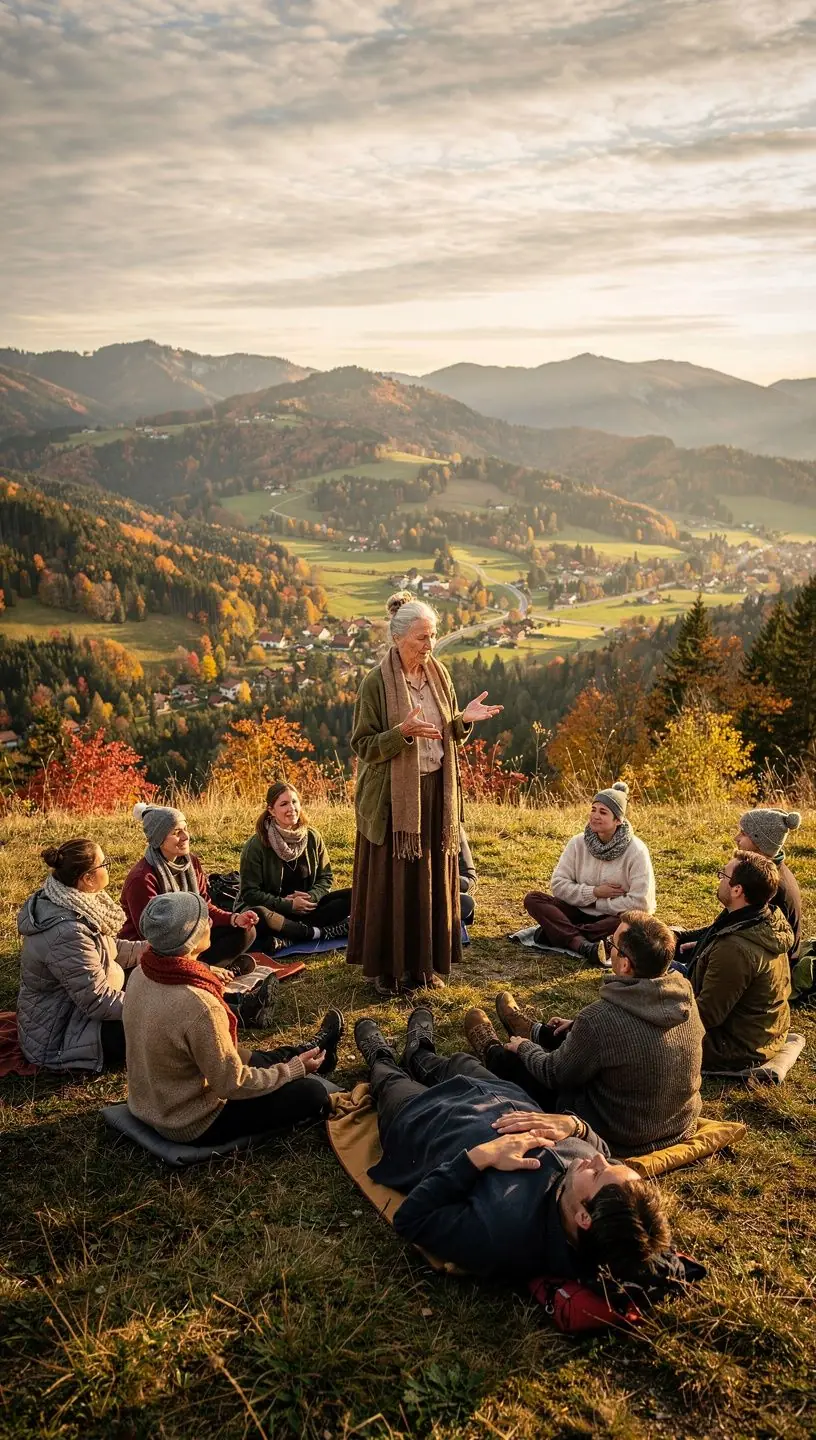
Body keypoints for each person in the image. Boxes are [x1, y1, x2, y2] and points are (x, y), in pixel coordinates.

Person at [354, 1007, 671, 1283]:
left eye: (600, 1173)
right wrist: (576, 1126)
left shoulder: (502, 1235)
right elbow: (601, 1151)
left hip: (423, 1121)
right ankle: (418, 1050)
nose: (603, 1161)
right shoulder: (598, 1179)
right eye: (615, 1166)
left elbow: (412, 1219)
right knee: (451, 1062)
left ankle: (380, 1056)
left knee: (389, 1080)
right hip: (495, 1091)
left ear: (584, 1218)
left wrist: (480, 1157)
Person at [347, 593, 502, 996]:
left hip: (435, 793)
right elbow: (363, 745)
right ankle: (387, 971)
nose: (429, 646)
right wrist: (401, 734)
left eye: (433, 636)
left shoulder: (439, 675)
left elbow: (444, 730)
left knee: (431, 882)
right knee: (393, 886)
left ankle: (425, 964)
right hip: (392, 802)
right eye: (421, 638)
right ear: (398, 638)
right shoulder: (376, 683)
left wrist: (462, 721)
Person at [464, 913, 704, 1156]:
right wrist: (578, 1026)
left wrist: (524, 1048)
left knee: (524, 1066)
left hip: (616, 1134)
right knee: (585, 1038)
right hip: (676, 1125)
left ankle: (494, 1052)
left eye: (611, 945)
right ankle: (536, 1032)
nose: (607, 947)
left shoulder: (600, 1019)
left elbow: (554, 1074)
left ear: (624, 964)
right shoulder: (684, 998)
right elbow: (627, 1036)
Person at [124, 891, 345, 1144]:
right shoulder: (199, 1004)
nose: (210, 923)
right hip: (189, 1121)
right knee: (311, 1093)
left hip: (149, 1102)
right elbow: (232, 1084)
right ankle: (303, 1061)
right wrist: (293, 1071)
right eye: (203, 920)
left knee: (246, 1055)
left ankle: (310, 1051)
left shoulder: (142, 972)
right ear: (190, 939)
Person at [17, 839, 147, 1073]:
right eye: (104, 864)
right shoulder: (68, 931)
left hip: (79, 1011)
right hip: (62, 1036)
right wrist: (152, 1006)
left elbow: (106, 949)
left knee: (153, 976)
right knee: (158, 1025)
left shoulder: (73, 901)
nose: (109, 868)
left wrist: (148, 950)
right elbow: (97, 1000)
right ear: (87, 879)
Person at [680, 851, 792, 1072]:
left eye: (723, 875)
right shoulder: (764, 918)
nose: (719, 879)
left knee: (637, 1035)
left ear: (737, 890)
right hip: (761, 1031)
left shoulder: (734, 949)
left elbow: (706, 1016)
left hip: (734, 1046)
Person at [521, 782, 656, 966]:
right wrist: (595, 892)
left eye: (603, 812)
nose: (595, 816)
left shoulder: (637, 851)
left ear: (618, 820)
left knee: (635, 924)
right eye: (593, 809)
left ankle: (561, 934)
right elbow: (559, 885)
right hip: (577, 911)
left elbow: (642, 903)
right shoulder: (577, 843)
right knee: (533, 899)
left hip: (610, 919)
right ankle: (585, 945)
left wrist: (601, 904)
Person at [120, 803, 258, 975]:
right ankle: (203, 971)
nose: (185, 836)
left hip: (190, 938)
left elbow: (204, 907)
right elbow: (153, 939)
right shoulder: (142, 878)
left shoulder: (191, 862)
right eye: (176, 832)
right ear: (158, 839)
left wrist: (234, 918)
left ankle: (202, 970)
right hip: (155, 951)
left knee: (245, 932)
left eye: (185, 828)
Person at [237, 781, 352, 948]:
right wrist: (288, 905)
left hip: (308, 909)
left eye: (294, 802)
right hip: (275, 912)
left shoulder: (313, 837)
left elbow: (325, 877)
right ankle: (316, 933)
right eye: (284, 804)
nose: (291, 808)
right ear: (271, 810)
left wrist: (311, 897)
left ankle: (291, 936)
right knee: (258, 914)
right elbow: (250, 893)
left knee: (354, 895)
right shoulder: (256, 845)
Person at [735, 809, 802, 966]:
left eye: (743, 834)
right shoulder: (771, 872)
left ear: (760, 843)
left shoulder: (768, 886)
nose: (736, 838)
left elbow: (740, 934)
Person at [459, 824, 477, 927]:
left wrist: (450, 881)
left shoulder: (452, 828)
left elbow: (470, 879)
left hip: (442, 895)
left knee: (466, 902)